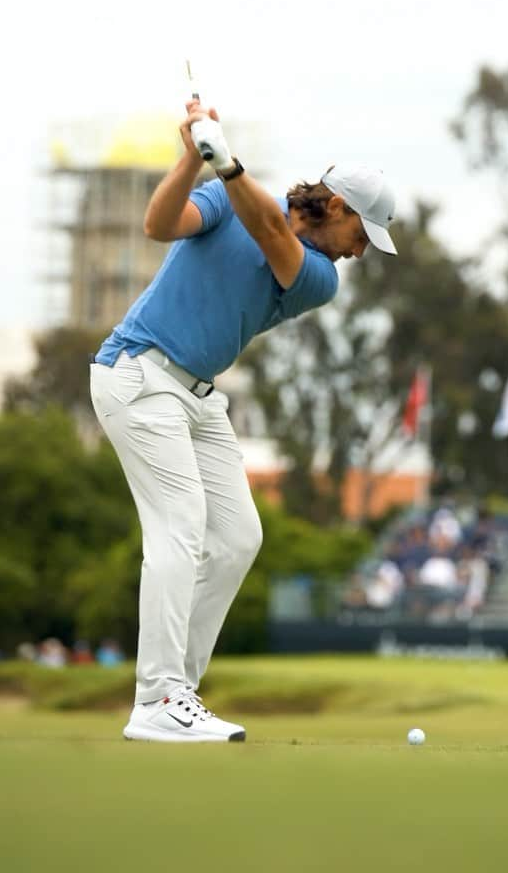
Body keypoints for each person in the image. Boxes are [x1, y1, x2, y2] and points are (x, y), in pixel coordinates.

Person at [90, 99, 397, 743]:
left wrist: (227, 163)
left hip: (197, 398)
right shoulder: (228, 199)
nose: (361, 253)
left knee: (236, 538)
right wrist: (189, 156)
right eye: (363, 236)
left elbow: (274, 239)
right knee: (180, 527)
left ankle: (178, 692)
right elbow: (160, 223)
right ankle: (158, 698)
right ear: (337, 208)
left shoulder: (318, 277)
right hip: (138, 374)